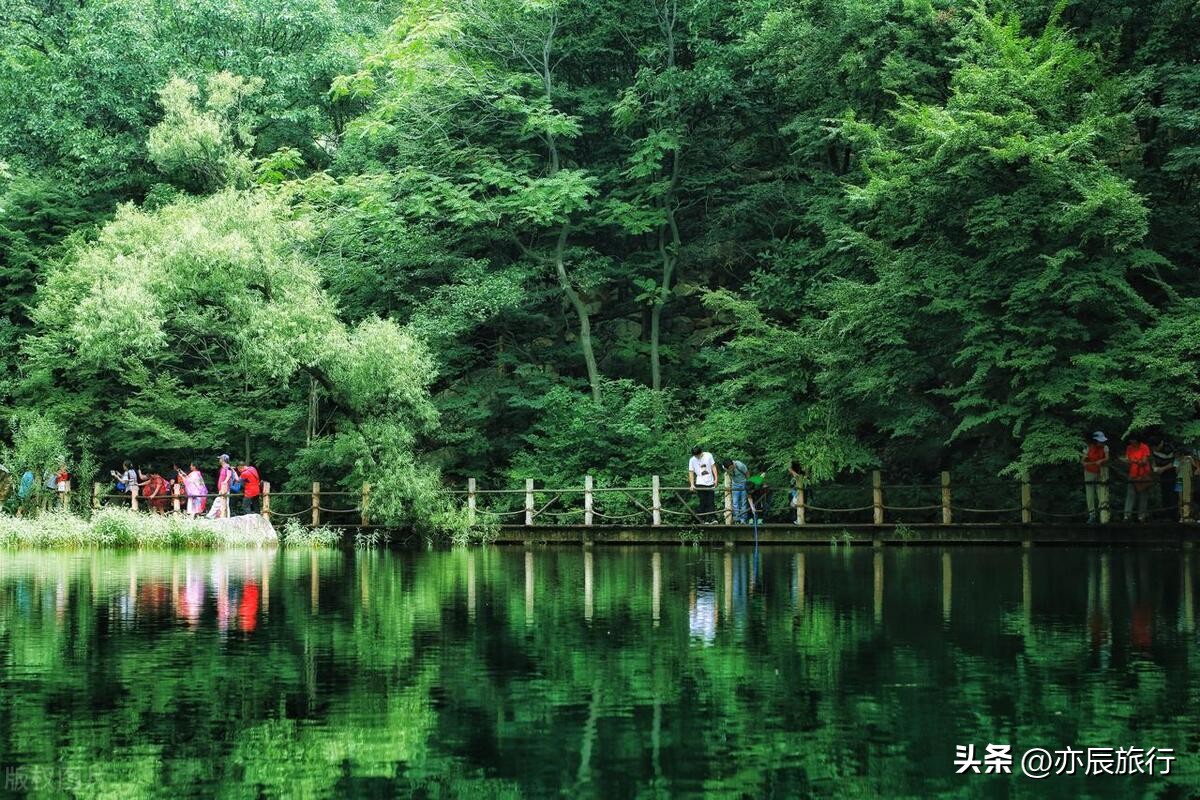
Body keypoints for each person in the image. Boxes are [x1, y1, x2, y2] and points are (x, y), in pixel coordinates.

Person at [1122, 435, 1153, 523]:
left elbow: (1144, 461)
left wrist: (1134, 461)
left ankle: (1141, 516)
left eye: (1134, 441)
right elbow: (1127, 459)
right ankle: (1127, 515)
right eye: (1131, 441)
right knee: (1130, 494)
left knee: (1143, 495)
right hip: (1133, 474)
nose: (1132, 443)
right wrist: (1131, 461)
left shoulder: (1144, 447)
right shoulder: (1129, 448)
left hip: (1143, 474)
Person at [1081, 431, 1109, 523]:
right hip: (1089, 472)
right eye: (1100, 441)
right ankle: (1092, 515)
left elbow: (1107, 458)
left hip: (1101, 472)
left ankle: (1103, 514)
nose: (1102, 442)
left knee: (1101, 492)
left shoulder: (1105, 447)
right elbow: (1083, 461)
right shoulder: (1088, 448)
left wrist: (1101, 460)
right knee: (1090, 494)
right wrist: (1090, 463)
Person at [688, 446, 719, 522]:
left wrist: (716, 479)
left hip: (710, 482)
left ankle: (712, 518)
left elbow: (713, 467)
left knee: (711, 501)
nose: (697, 457)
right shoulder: (692, 460)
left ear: (701, 452)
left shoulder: (708, 455)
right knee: (703, 501)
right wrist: (692, 484)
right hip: (700, 482)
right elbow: (691, 472)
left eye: (698, 455)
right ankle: (703, 519)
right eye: (695, 456)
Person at [1151, 437, 1176, 520]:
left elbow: (1174, 462)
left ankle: (1174, 514)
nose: (1155, 449)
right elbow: (1154, 459)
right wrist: (1154, 467)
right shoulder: (1154, 449)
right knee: (1164, 493)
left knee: (1172, 493)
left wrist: (1163, 469)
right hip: (1162, 473)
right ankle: (1166, 513)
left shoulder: (1169, 448)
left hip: (1172, 474)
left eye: (1156, 447)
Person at [722, 457, 750, 523]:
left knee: (743, 502)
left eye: (732, 467)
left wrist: (748, 484)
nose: (731, 469)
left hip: (744, 484)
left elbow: (747, 473)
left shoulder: (739, 465)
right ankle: (737, 518)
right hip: (735, 484)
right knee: (735, 502)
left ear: (733, 464)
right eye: (729, 468)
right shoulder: (725, 467)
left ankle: (743, 519)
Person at [207, 454, 234, 520]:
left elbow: (229, 475)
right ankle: (225, 517)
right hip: (222, 489)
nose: (219, 460)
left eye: (220, 459)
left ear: (223, 460)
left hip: (224, 489)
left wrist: (225, 482)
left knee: (220, 502)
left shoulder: (227, 467)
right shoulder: (223, 467)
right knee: (223, 502)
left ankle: (210, 516)